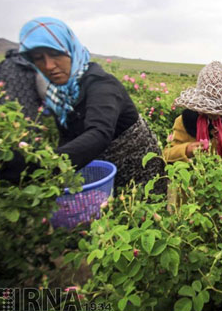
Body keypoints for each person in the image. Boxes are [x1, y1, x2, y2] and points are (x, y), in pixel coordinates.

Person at [17, 16, 166, 193]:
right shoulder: (59, 94)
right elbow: (68, 137)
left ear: (71, 49)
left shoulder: (102, 84)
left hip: (140, 176)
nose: (49, 65)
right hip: (98, 173)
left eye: (56, 54)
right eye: (39, 58)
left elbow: (99, 133)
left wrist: (41, 166)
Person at [164, 61, 222, 164]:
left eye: (220, 109)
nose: (214, 113)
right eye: (209, 108)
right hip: (194, 178)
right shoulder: (185, 121)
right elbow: (167, 154)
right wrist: (187, 150)